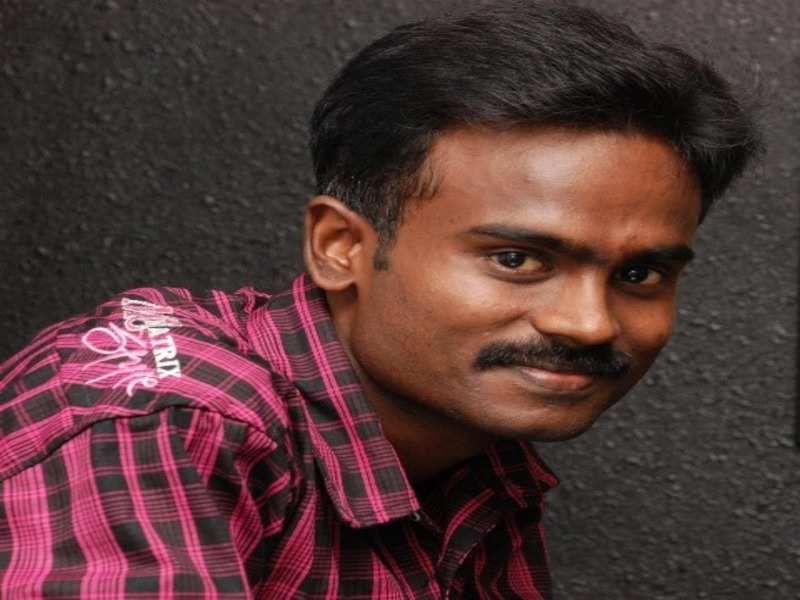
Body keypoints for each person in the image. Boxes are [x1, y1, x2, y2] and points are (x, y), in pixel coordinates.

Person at [0, 1, 760, 598]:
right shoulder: (162, 423)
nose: (588, 323)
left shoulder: (475, 455)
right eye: (517, 259)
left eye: (639, 275)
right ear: (341, 248)